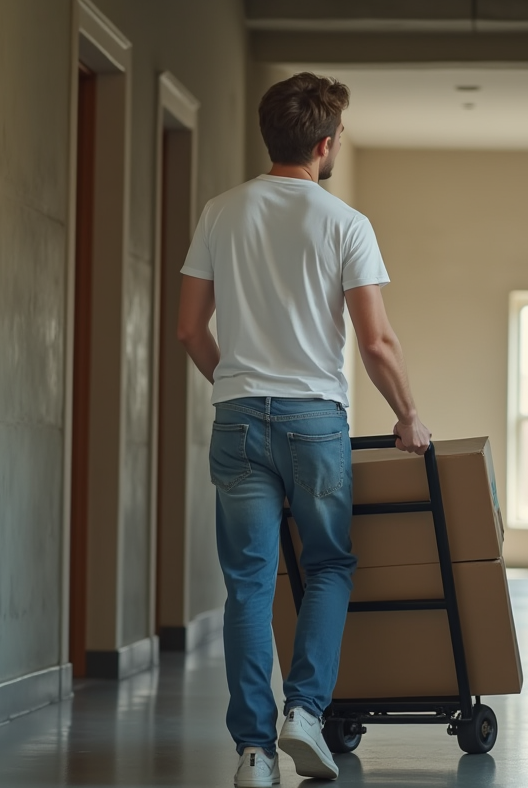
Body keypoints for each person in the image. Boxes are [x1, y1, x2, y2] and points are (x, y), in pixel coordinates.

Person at [177, 72, 432, 787]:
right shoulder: (344, 223)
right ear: (324, 144)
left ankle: (254, 753)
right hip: (314, 421)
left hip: (237, 421)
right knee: (327, 566)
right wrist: (408, 415)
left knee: (249, 585)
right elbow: (376, 342)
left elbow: (189, 329)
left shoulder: (220, 212)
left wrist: (235, 383)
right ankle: (306, 713)